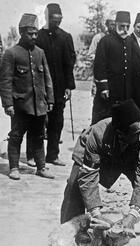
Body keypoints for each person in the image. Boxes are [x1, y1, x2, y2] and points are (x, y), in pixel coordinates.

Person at [60, 98, 140, 229]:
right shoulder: (97, 134)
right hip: (102, 156)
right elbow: (88, 176)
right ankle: (69, 231)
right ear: (121, 134)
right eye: (137, 133)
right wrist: (96, 214)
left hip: (130, 158)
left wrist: (133, 215)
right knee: (74, 184)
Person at [0, 13, 55, 180]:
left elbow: (47, 78)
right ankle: (14, 167)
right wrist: (8, 104)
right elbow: (5, 81)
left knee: (38, 136)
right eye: (30, 33)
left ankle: (41, 167)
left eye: (36, 33)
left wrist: (50, 99)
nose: (34, 37)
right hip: (20, 105)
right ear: (21, 32)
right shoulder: (11, 54)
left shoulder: (40, 53)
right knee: (16, 135)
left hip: (39, 105)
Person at [25, 3, 76, 167]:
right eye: (54, 20)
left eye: (59, 20)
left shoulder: (66, 37)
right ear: (47, 17)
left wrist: (69, 86)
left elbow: (70, 63)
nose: (57, 23)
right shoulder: (38, 36)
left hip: (60, 86)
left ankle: (52, 155)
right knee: (36, 120)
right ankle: (32, 155)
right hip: (39, 86)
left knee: (57, 121)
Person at [93, 11, 133, 125]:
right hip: (108, 91)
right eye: (122, 26)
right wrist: (104, 87)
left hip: (124, 91)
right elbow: (99, 65)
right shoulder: (106, 41)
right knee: (103, 121)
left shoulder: (130, 42)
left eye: (127, 27)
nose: (125, 29)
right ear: (116, 25)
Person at [88, 19, 116, 97]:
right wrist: (100, 58)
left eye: (115, 24)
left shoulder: (117, 38)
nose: (113, 27)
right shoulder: (98, 37)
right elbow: (90, 54)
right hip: (100, 71)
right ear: (107, 25)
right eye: (111, 24)